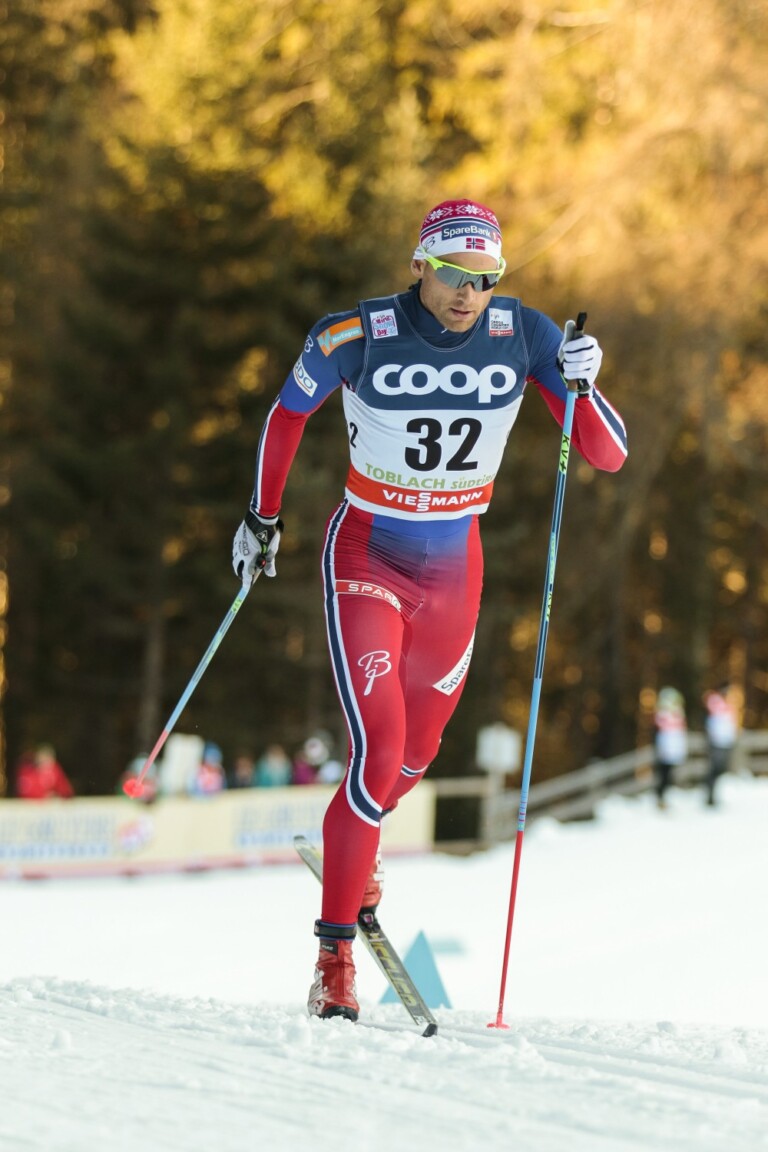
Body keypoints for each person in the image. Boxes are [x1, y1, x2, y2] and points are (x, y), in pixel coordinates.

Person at [232, 198, 628, 1021]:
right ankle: (335, 957)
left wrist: (585, 383)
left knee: (415, 756)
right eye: (453, 275)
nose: (468, 294)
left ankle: (361, 843)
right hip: (368, 555)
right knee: (378, 752)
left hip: (455, 570)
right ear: (420, 264)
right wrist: (262, 518)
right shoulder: (358, 334)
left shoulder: (525, 334)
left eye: (486, 279)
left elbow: (607, 454)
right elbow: (286, 415)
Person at [703, 682, 738, 806]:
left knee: (720, 768)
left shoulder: (727, 703)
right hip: (716, 741)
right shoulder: (715, 701)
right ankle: (709, 795)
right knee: (715, 768)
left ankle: (713, 795)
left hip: (725, 741)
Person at [652, 687, 688, 809]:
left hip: (673, 749)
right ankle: (660, 798)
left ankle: (663, 798)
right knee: (663, 774)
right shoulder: (662, 715)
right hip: (666, 749)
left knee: (669, 775)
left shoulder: (677, 714)